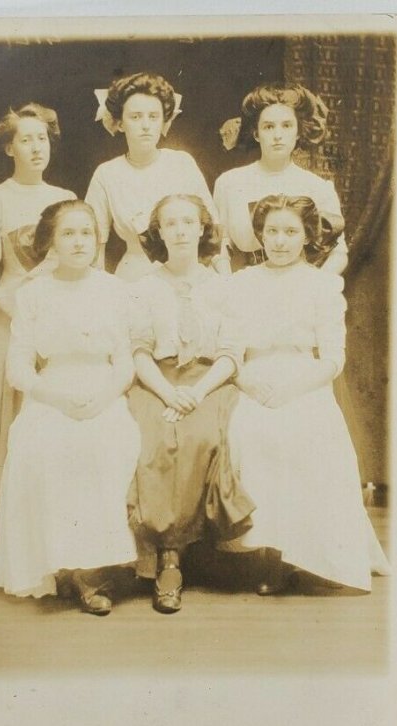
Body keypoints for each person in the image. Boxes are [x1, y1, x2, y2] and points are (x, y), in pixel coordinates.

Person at [223, 194, 390, 593]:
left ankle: (302, 551)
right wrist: (246, 380)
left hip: (304, 379)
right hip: (252, 376)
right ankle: (266, 552)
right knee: (250, 433)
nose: (280, 241)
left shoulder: (321, 285)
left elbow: (333, 358)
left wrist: (293, 387)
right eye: (272, 231)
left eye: (290, 232)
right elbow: (227, 346)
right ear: (260, 234)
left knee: (306, 433)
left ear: (307, 237)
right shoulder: (241, 283)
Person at [0, 200, 140, 615]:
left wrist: (105, 397)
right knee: (46, 444)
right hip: (51, 394)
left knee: (109, 443)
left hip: (103, 391)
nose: (78, 242)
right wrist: (55, 398)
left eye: (86, 233)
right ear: (51, 241)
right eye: (68, 233)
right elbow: (19, 367)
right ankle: (69, 567)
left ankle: (93, 571)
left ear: (97, 239)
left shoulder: (115, 290)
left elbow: (124, 362)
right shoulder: (34, 294)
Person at [127, 194, 255, 613]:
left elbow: (231, 354)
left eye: (188, 222)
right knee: (155, 436)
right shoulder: (143, 287)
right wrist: (168, 393)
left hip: (210, 380)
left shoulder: (224, 286)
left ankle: (190, 551)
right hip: (159, 380)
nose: (180, 230)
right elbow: (140, 351)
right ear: (158, 232)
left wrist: (195, 394)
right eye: (170, 223)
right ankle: (167, 557)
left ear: (202, 229)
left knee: (201, 434)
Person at [0, 103, 76, 510]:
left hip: (58, 326)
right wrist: (24, 317)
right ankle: (8, 546)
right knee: (8, 427)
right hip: (7, 326)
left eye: (42, 138)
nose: (36, 147)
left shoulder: (64, 199)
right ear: (10, 149)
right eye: (26, 140)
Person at [85, 72, 230, 282]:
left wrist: (226, 279)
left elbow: (213, 230)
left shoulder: (182, 163)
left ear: (163, 120)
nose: (145, 125)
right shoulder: (106, 174)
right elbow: (95, 245)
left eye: (153, 116)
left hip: (188, 273)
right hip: (134, 276)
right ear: (120, 122)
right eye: (135, 117)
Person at [214, 83, 347, 274]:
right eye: (268, 127)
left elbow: (339, 252)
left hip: (299, 290)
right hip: (244, 288)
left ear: (299, 132)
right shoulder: (229, 183)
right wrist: (229, 286)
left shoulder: (318, 187)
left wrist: (314, 289)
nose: (277, 135)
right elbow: (219, 245)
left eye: (286, 126)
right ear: (256, 134)